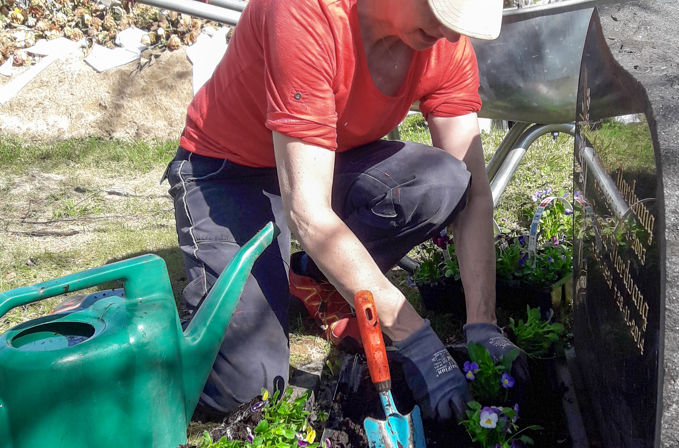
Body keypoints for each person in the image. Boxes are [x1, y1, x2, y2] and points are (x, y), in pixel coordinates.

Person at [164, 0, 528, 422]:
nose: (449, 33)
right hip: (231, 173)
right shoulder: (306, 13)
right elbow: (308, 213)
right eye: (442, 13)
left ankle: (312, 276)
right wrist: (414, 336)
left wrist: (483, 322)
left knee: (442, 181)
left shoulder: (445, 44)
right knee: (246, 388)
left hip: (324, 161)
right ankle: (151, 341)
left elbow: (475, 194)